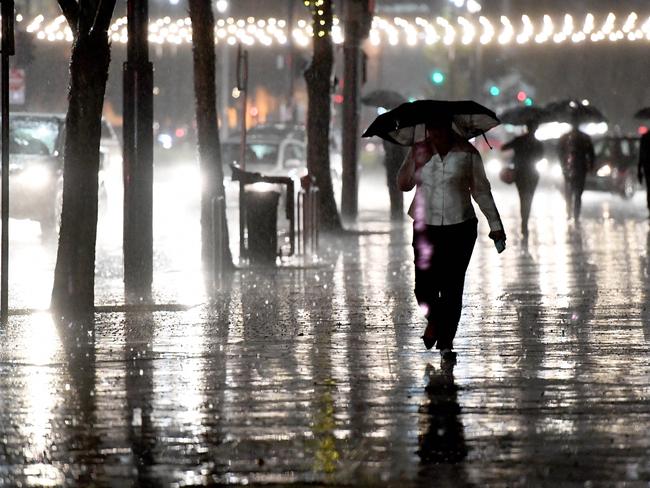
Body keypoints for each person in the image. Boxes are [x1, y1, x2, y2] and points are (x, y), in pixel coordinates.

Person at [397, 119, 506, 361]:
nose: (435, 133)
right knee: (423, 288)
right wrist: (415, 162)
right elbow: (403, 185)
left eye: (439, 127)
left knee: (451, 287)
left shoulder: (468, 153)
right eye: (431, 128)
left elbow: (481, 190)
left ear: (450, 128)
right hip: (426, 227)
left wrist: (496, 226)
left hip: (461, 228)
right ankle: (435, 322)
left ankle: (446, 343)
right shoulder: (419, 150)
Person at [501, 121, 544, 238]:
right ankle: (525, 220)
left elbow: (503, 147)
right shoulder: (537, 143)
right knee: (529, 197)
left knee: (522, 197)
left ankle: (524, 221)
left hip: (519, 173)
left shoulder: (519, 140)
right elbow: (541, 156)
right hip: (532, 174)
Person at [557, 121, 595, 221]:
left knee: (571, 192)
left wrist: (563, 165)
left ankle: (572, 213)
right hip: (577, 168)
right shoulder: (583, 138)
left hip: (573, 168)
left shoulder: (566, 137)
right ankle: (574, 213)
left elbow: (560, 152)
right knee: (576, 193)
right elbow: (591, 154)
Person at [637, 130, 650, 215]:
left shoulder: (645, 137)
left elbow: (641, 156)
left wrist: (639, 171)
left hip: (647, 167)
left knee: (649, 188)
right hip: (647, 167)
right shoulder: (645, 137)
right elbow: (641, 155)